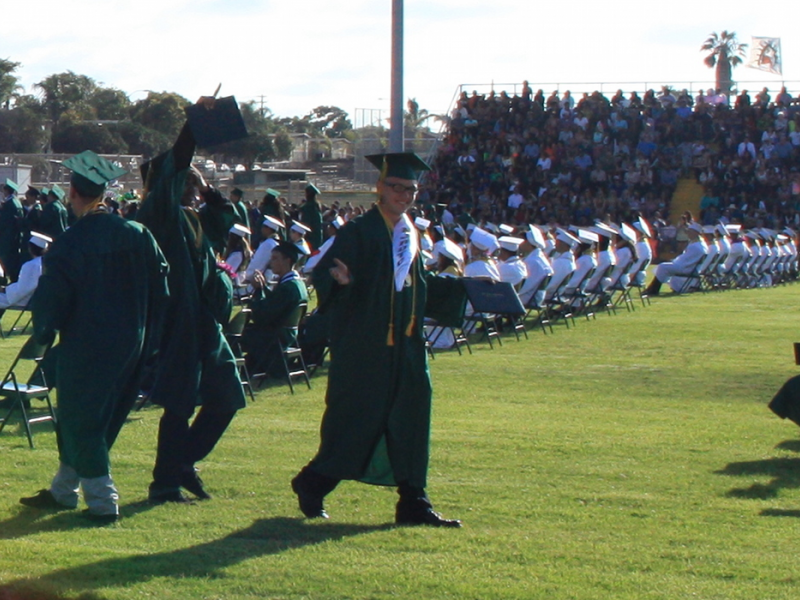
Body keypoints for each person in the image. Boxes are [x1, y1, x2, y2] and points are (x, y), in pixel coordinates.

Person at [291, 152, 465, 527]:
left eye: (411, 189)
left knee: (412, 417)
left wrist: (462, 291)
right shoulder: (359, 231)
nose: (404, 195)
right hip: (365, 346)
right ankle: (313, 481)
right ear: (380, 188)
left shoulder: (411, 233)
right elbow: (325, 273)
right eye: (397, 187)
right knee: (356, 418)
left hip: (406, 347)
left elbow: (414, 285)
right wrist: (339, 283)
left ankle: (413, 501)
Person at [19, 151, 169, 523]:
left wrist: (44, 331)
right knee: (88, 416)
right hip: (131, 341)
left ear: (72, 193)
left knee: (81, 419)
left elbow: (53, 301)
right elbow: (162, 284)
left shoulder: (71, 243)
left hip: (87, 344)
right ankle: (63, 491)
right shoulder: (137, 234)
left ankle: (103, 501)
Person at [137, 98, 247, 504]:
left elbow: (216, 241)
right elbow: (175, 164)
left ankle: (182, 462)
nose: (195, 190)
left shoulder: (191, 218)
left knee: (227, 397)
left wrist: (220, 208)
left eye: (197, 186)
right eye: (189, 183)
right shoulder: (157, 211)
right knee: (180, 402)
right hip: (177, 320)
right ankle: (164, 483)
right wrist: (192, 127)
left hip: (204, 320)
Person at [242, 241, 309, 374]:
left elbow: (263, 316)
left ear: (287, 260)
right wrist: (263, 288)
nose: (271, 262)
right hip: (287, 335)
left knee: (235, 335)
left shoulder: (288, 288)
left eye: (275, 258)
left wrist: (257, 293)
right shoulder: (297, 284)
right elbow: (275, 303)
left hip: (275, 337)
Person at [0, 232, 51, 310]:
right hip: (34, 298)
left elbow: (22, 290)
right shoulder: (45, 263)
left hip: (23, 300)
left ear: (30, 249)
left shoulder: (31, 265)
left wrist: (4, 289)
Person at [0, 178, 24, 282]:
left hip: (7, 236)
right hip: (15, 236)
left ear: (7, 190)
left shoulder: (9, 204)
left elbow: (4, 221)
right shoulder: (17, 202)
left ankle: (5, 279)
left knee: (6, 260)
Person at [299, 183, 324, 251]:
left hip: (309, 238)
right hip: (317, 236)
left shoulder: (307, 207)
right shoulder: (317, 206)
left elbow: (305, 224)